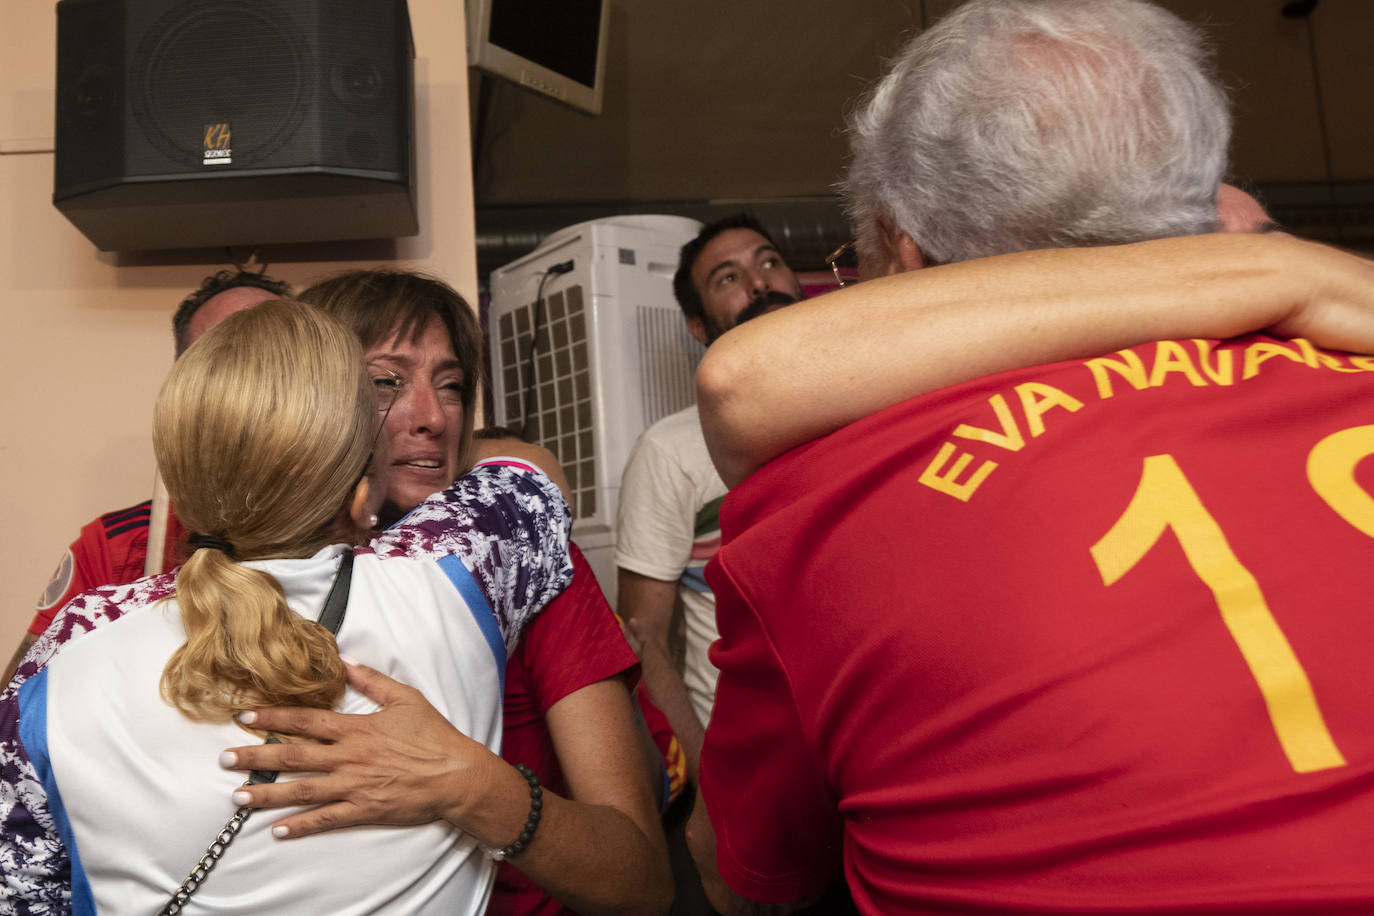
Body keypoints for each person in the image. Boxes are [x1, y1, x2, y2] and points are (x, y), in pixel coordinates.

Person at [685, 2, 1374, 913]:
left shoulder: (826, 503)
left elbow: (749, 883)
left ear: (909, 252)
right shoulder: (1347, 341)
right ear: (1204, 200)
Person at [0, 300, 573, 912]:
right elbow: (531, 473)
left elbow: (24, 892)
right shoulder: (457, 578)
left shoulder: (76, 646)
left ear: (179, 490)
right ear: (360, 496)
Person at [288, 269, 674, 916]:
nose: (433, 418)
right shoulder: (253, 585)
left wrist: (472, 787)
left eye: (452, 387)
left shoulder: (528, 559)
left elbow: (638, 882)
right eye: (387, 383)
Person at [4, 267, 291, 684]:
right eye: (223, 360)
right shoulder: (115, 545)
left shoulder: (372, 542)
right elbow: (13, 712)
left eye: (279, 357)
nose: (249, 385)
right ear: (181, 388)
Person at [616, 213, 804, 785]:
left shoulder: (867, 407)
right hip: (750, 766)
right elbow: (641, 639)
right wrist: (708, 780)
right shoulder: (670, 451)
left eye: (769, 261)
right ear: (698, 327)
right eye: (728, 278)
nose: (759, 283)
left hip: (868, 742)